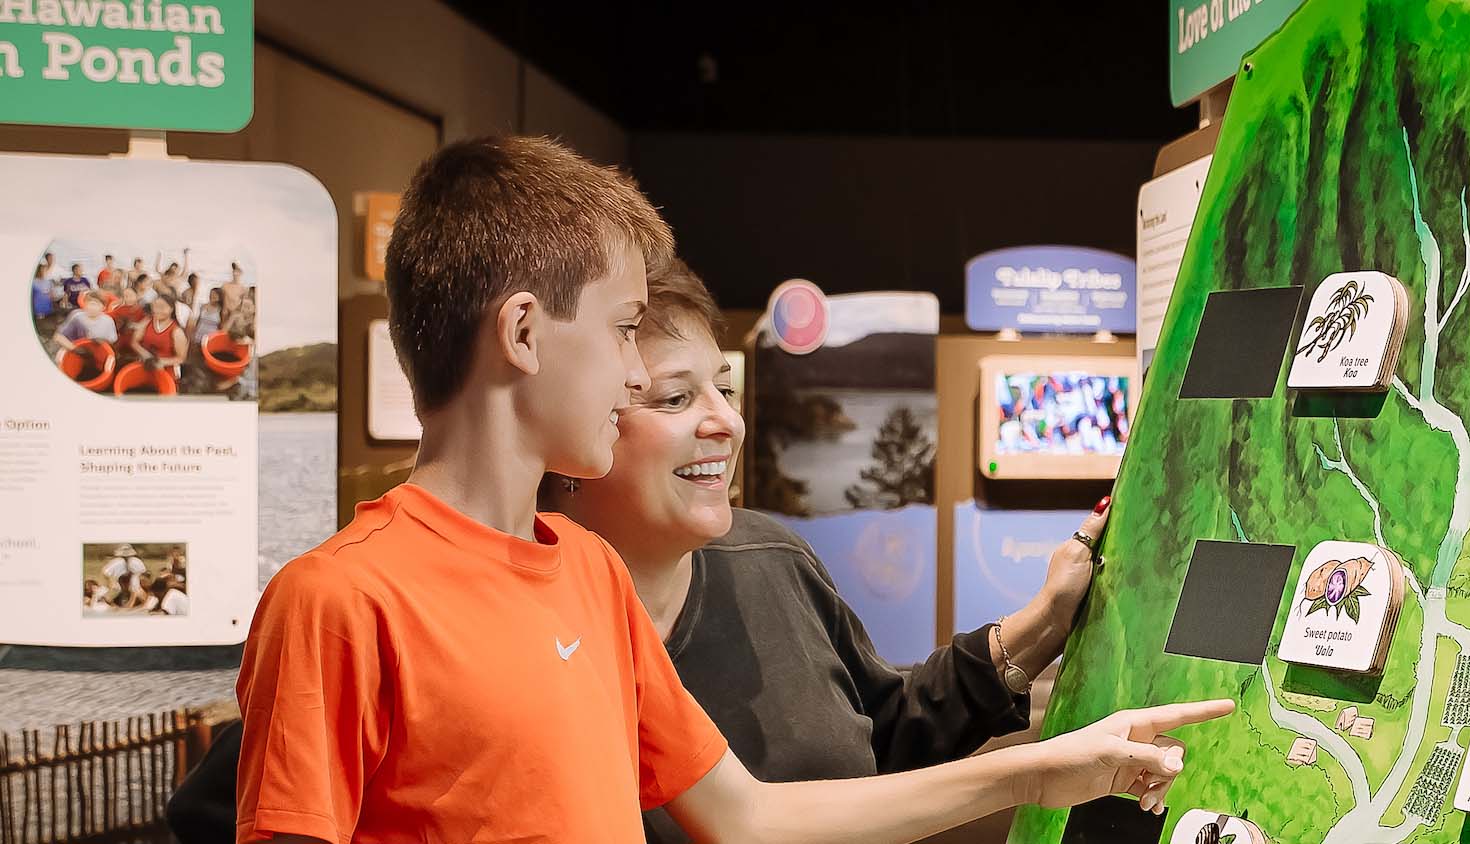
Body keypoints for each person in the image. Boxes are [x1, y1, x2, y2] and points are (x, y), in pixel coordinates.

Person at [204, 136, 1229, 844]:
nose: (624, 369)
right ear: (522, 335)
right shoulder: (340, 602)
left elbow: (753, 814)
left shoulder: (590, 578)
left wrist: (1051, 767)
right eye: (618, 330)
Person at [540, 258, 1115, 843]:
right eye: (673, 400)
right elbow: (748, 825)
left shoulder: (770, 555)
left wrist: (1047, 618)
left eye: (724, 387)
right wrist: (1030, 776)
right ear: (583, 423)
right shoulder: (534, 631)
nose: (726, 421)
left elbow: (886, 736)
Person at [132, 296, 188, 375]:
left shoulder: (177, 332)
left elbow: (181, 358)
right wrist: (146, 355)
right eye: (155, 307)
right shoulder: (147, 321)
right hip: (145, 362)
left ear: (171, 309)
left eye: (162, 307)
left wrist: (160, 362)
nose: (157, 310)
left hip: (165, 367)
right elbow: (134, 342)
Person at [52, 293, 118, 356]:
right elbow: (57, 337)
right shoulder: (77, 317)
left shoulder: (108, 320)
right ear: (84, 304)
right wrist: (75, 349)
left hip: (96, 353)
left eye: (96, 304)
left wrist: (101, 341)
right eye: (90, 304)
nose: (92, 307)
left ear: (103, 307)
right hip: (72, 351)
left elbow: (112, 341)